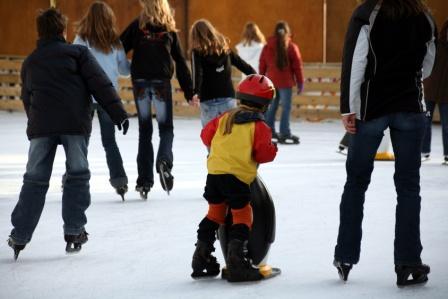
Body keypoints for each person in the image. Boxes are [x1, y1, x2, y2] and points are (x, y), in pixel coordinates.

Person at [7, 8, 129, 260]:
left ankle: (19, 234)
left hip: (43, 127)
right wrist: (118, 112)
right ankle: (74, 230)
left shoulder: (32, 60)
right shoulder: (78, 53)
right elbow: (100, 83)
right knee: (77, 175)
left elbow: (26, 96)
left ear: (39, 32)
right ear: (64, 31)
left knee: (34, 179)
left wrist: (35, 123)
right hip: (74, 124)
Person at [334, 0, 436, 287]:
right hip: (410, 108)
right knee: (408, 186)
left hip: (371, 109)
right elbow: (428, 64)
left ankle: (345, 256)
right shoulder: (424, 16)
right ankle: (408, 261)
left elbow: (355, 61)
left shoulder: (367, 13)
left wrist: (348, 108)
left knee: (356, 182)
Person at [191, 74, 278, 282]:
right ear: (265, 104)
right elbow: (263, 155)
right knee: (243, 214)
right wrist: (273, 148)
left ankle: (201, 257)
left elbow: (205, 136)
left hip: (214, 174)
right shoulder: (259, 126)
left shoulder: (225, 117)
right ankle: (237, 261)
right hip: (236, 177)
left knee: (215, 213)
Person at [120, 0, 194, 199]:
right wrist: (189, 91)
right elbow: (180, 61)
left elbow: (120, 46)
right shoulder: (169, 30)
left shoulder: (138, 25)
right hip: (161, 82)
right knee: (166, 129)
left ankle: (144, 181)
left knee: (145, 131)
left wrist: (125, 67)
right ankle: (164, 162)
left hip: (140, 82)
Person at [74, 1, 130, 200]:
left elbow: (72, 62)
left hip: (86, 94)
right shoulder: (114, 41)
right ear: (109, 19)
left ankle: (70, 177)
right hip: (108, 96)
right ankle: (120, 180)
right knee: (109, 141)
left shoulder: (81, 39)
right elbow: (124, 69)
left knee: (81, 141)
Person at [189, 19, 256, 127]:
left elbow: (197, 74)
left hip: (208, 99)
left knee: (210, 137)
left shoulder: (196, 52)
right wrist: (256, 76)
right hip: (227, 97)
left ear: (195, 36)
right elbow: (241, 64)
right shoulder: (224, 49)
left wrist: (195, 92)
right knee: (229, 135)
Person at [259, 20, 304, 144]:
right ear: (288, 32)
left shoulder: (267, 47)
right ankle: (284, 132)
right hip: (286, 83)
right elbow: (297, 66)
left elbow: (262, 64)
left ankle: (269, 132)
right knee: (286, 108)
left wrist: (262, 79)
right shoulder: (291, 47)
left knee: (272, 107)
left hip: (271, 82)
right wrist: (300, 82)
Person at [422, 19, 448, 164]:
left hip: (446, 94)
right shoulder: (436, 45)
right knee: (425, 121)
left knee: (447, 125)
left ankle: (447, 154)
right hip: (430, 90)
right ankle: (424, 151)